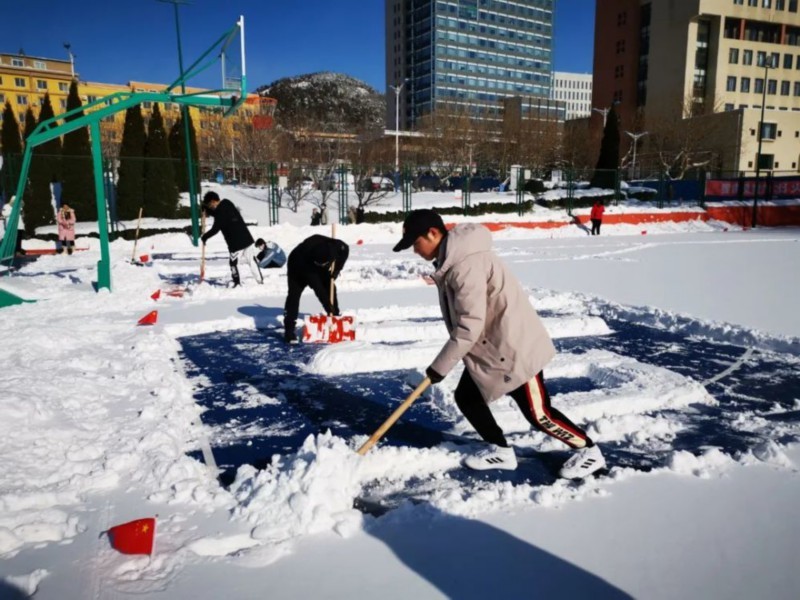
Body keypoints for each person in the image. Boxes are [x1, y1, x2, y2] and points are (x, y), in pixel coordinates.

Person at [393, 209, 606, 479]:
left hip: (514, 349)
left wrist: (438, 369)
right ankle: (501, 451)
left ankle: (589, 451)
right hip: (493, 349)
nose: (415, 250)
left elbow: (470, 324)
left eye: (416, 243)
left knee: (538, 414)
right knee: (467, 398)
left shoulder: (464, 265)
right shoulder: (455, 260)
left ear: (433, 233)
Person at [283, 234, 349, 344]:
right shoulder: (308, 259)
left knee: (330, 285)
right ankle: (289, 330)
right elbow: (318, 289)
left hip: (315, 265)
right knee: (294, 296)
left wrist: (337, 269)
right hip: (297, 265)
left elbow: (345, 250)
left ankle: (335, 316)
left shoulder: (335, 246)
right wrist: (328, 306)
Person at [200, 191, 263, 287]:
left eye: (209, 204)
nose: (210, 206)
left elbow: (215, 229)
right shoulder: (227, 203)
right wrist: (209, 211)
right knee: (252, 261)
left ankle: (237, 283)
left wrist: (205, 237)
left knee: (233, 263)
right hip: (246, 238)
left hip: (236, 243)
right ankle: (260, 281)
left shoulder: (219, 212)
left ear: (213, 201)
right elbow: (220, 215)